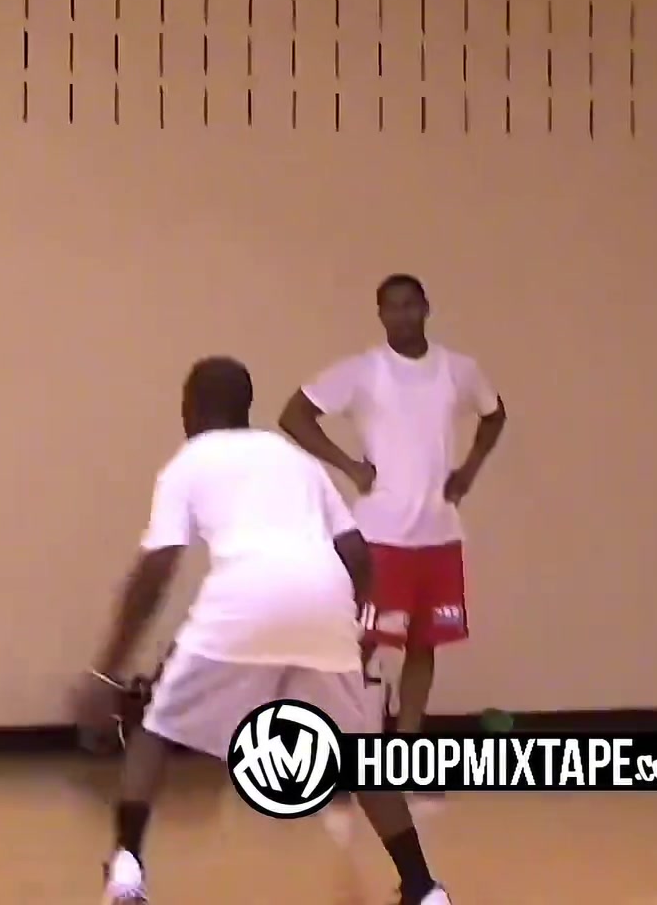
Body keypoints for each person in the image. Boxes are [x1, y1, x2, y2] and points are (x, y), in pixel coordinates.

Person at [77, 357, 452, 905]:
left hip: (244, 596)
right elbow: (357, 555)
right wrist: (348, 633)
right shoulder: (297, 460)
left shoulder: (189, 461)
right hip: (325, 598)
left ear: (189, 409)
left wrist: (106, 670)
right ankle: (424, 889)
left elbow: (158, 565)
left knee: (155, 727)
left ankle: (127, 868)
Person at [278, 274, 506, 753]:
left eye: (410, 304)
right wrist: (348, 465)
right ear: (380, 315)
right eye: (392, 307)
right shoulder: (362, 371)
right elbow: (295, 415)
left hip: (438, 534)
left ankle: (406, 748)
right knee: (361, 641)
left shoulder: (458, 370)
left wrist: (468, 472)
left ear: (426, 307)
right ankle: (342, 742)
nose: (402, 315)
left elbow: (494, 413)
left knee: (423, 644)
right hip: (381, 536)